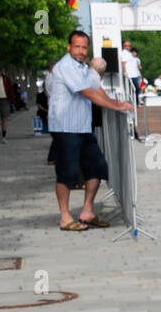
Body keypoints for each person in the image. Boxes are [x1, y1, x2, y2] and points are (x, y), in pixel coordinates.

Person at [47, 31, 134, 230]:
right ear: (68, 47)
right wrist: (115, 107)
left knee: (97, 167)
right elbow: (86, 92)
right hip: (65, 127)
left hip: (82, 127)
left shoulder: (82, 67)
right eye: (77, 47)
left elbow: (95, 86)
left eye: (84, 47)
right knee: (66, 173)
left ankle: (87, 211)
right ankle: (65, 218)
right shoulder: (65, 67)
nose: (80, 51)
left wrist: (115, 102)